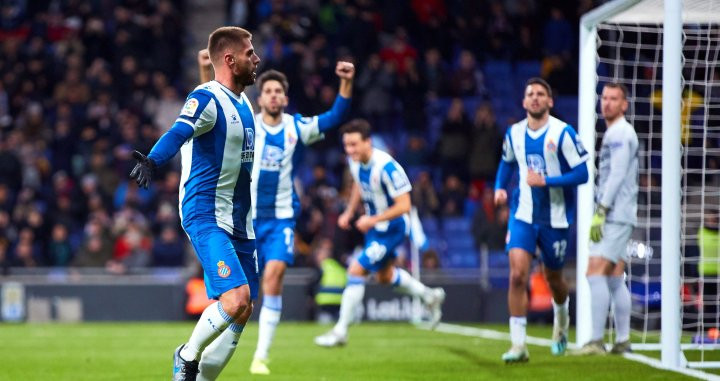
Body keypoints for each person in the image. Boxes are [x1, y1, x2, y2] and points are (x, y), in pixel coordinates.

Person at [197, 49, 355, 375]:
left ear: (285, 99)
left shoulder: (297, 128)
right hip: (245, 221)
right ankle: (217, 347)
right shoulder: (246, 125)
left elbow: (334, 117)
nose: (273, 96)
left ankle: (262, 355)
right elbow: (210, 118)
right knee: (240, 297)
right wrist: (204, 71)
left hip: (281, 218)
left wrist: (346, 82)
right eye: (267, 90)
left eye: (278, 92)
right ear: (260, 98)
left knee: (275, 274)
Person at [129, 26, 261, 381]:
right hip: (205, 213)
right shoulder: (205, 98)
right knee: (234, 299)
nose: (257, 58)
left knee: (243, 309)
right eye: (250, 53)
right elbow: (178, 131)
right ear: (230, 59)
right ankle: (185, 357)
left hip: (240, 220)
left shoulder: (245, 103)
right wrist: (153, 160)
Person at [314, 119, 445, 347]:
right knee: (385, 276)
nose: (350, 150)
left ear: (368, 142)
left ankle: (340, 331)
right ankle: (429, 296)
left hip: (392, 228)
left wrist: (371, 219)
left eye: (354, 145)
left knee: (356, 270)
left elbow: (405, 205)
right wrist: (349, 212)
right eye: (346, 145)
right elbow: (357, 185)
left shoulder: (387, 167)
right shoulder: (355, 162)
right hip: (375, 229)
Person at [494, 77, 589, 362]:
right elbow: (507, 162)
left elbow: (582, 174)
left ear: (550, 101)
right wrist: (500, 186)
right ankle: (518, 345)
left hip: (555, 219)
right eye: (530, 94)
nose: (534, 98)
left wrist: (546, 181)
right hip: (522, 215)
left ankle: (561, 318)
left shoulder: (563, 133)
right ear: (523, 102)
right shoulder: (514, 133)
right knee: (517, 275)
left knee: (553, 278)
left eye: (540, 94)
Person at [574, 82, 637, 355]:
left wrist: (602, 210)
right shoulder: (616, 131)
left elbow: (618, 173)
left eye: (614, 99)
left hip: (614, 214)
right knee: (613, 277)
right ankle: (622, 340)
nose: (607, 103)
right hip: (621, 213)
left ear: (624, 104)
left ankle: (596, 340)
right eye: (605, 98)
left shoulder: (621, 132)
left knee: (594, 272)